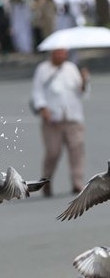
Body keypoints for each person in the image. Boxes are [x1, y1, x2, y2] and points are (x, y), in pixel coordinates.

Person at [31, 48, 89, 197]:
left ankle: (77, 182)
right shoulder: (43, 69)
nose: (61, 55)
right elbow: (37, 92)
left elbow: (82, 91)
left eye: (64, 53)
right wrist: (43, 108)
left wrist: (84, 80)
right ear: (52, 53)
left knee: (76, 150)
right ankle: (46, 182)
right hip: (52, 119)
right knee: (53, 152)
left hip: (72, 117)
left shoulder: (71, 68)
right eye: (58, 53)